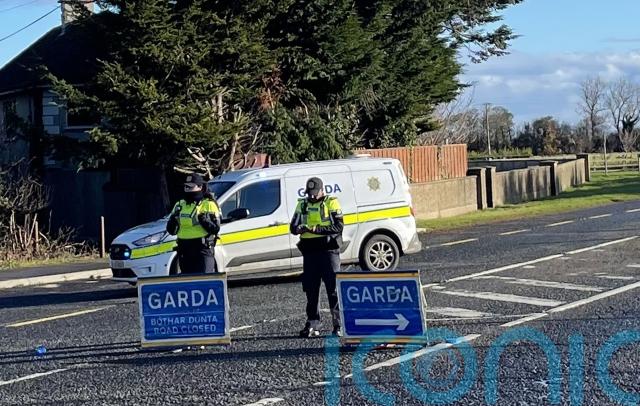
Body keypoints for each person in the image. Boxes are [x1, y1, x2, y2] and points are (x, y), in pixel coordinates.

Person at [290, 177, 344, 337]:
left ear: (322, 190)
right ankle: (313, 322)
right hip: (310, 252)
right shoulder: (302, 204)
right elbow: (292, 227)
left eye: (315, 193)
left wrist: (316, 229)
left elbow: (339, 226)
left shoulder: (331, 203)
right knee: (311, 289)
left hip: (328, 251)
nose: (312, 196)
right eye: (309, 193)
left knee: (333, 289)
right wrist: (299, 229)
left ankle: (339, 324)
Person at [166, 173, 221, 274]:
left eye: (190, 187)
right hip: (184, 249)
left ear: (200, 187)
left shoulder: (209, 204)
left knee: (204, 278)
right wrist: (174, 220)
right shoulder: (179, 205)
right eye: (185, 186)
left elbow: (215, 229)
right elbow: (171, 231)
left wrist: (203, 220)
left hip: (202, 249)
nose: (187, 189)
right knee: (188, 280)